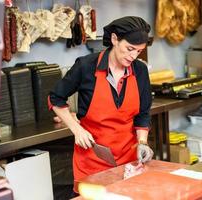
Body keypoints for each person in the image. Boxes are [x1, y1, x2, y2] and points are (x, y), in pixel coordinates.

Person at [48, 16, 154, 193]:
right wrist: (76, 129)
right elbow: (55, 98)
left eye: (139, 51)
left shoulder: (140, 70)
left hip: (129, 162)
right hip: (91, 162)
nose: (133, 56)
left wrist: (143, 142)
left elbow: (142, 114)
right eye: (130, 49)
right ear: (114, 39)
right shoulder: (86, 66)